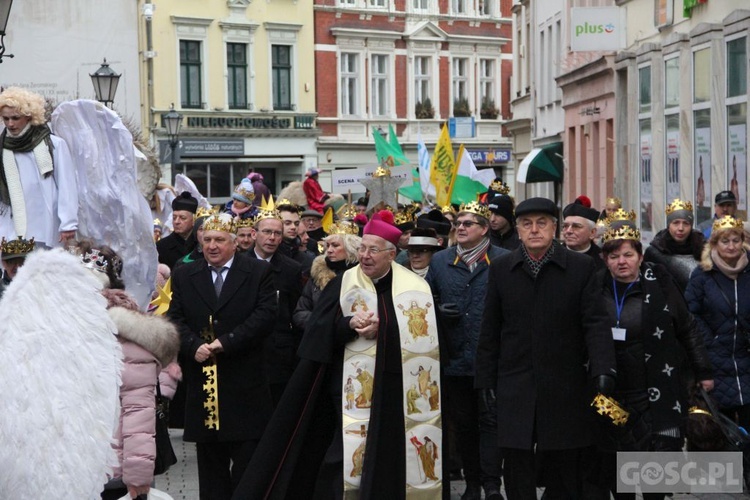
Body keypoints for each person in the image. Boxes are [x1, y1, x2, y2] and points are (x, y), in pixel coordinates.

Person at [233, 210, 442, 499]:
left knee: (392, 452)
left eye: (374, 250)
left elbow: (427, 339)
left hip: (395, 386)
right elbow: (317, 329)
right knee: (344, 452)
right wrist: (348, 325)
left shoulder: (416, 288)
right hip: (346, 387)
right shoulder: (343, 283)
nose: (366, 256)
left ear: (391, 254)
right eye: (363, 248)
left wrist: (387, 329)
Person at [475, 197, 617, 500]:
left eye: (542, 223)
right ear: (518, 228)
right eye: (527, 224)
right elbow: (490, 329)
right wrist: (485, 379)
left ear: (554, 227)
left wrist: (603, 369)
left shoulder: (580, 268)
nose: (534, 230)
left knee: (565, 467)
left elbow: (595, 324)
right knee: (516, 465)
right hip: (515, 383)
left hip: (564, 384)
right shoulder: (501, 269)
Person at [594, 219, 713, 499]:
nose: (622, 262)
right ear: (604, 259)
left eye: (628, 255)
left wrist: (703, 372)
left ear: (640, 255)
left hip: (657, 391)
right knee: (618, 468)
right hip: (610, 393)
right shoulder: (594, 289)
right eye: (614, 256)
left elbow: (687, 328)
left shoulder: (660, 283)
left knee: (655, 474)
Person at [167, 213, 277, 500]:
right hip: (204, 385)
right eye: (207, 240)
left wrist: (226, 343)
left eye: (219, 240)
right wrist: (193, 346)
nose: (212, 246)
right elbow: (175, 318)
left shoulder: (256, 272)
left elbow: (265, 316)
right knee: (211, 467)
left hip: (245, 384)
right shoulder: (184, 274)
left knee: (247, 465)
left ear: (233, 243)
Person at [80, 243, 181, 500]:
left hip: (110, 468)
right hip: (64, 469)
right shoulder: (55, 329)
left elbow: (138, 412)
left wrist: (137, 478)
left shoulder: (126, 333)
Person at [426, 201, 508, 500]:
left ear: (485, 229)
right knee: (464, 425)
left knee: (491, 423)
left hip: (492, 358)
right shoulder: (440, 261)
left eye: (468, 223)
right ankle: (472, 485)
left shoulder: (504, 260)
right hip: (455, 358)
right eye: (458, 223)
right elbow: (424, 301)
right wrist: (437, 310)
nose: (460, 227)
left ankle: (492, 485)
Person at [686, 215, 750, 459]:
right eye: (725, 241)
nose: (731, 246)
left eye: (736, 240)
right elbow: (691, 315)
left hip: (745, 356)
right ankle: (719, 477)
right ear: (714, 244)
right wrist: (710, 340)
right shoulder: (702, 276)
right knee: (719, 424)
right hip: (715, 359)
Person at [0, 87, 78, 248]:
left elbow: (66, 185)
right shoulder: (2, 147)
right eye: (6, 119)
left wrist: (68, 223)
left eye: (15, 118)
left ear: (29, 117)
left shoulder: (54, 145)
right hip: (11, 226)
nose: (10, 123)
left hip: (44, 224)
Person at [249, 203, 303, 407]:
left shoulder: (291, 269)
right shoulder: (238, 264)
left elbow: (295, 312)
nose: (272, 238)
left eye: (277, 233)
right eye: (267, 232)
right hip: (246, 349)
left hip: (278, 352)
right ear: (254, 234)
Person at [292, 220, 361, 331]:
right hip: (320, 338)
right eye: (327, 245)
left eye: (335, 246)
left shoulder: (362, 275)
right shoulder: (318, 273)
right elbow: (300, 313)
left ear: (350, 248)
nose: (329, 250)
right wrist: (323, 322)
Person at [644, 199, 704, 290]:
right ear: (669, 225)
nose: (681, 228)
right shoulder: (655, 252)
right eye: (676, 223)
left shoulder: (703, 250)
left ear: (691, 226)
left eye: (686, 223)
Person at [157, 191, 198, 269]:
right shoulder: (161, 247)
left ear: (193, 220)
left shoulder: (201, 245)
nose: (176, 222)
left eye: (182, 218)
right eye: (174, 217)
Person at [562, 201, 603, 268]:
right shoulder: (551, 256)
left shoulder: (604, 259)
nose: (568, 231)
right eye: (565, 226)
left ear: (592, 233)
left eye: (576, 226)